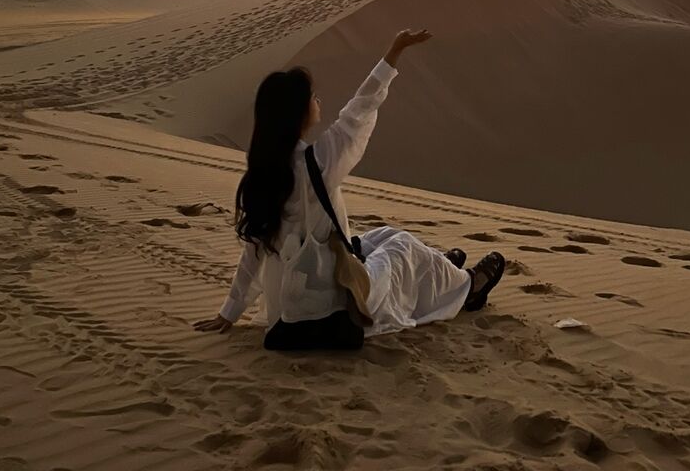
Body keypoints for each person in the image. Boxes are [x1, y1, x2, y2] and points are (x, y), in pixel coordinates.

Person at [194, 30, 505, 346]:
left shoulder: (266, 169)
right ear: (298, 113)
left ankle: (438, 269)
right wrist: (394, 51)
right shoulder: (316, 163)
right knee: (404, 247)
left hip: (289, 302)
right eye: (312, 97)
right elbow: (359, 110)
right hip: (330, 302)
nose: (318, 100)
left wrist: (229, 312)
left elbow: (254, 250)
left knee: (384, 236)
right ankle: (468, 288)